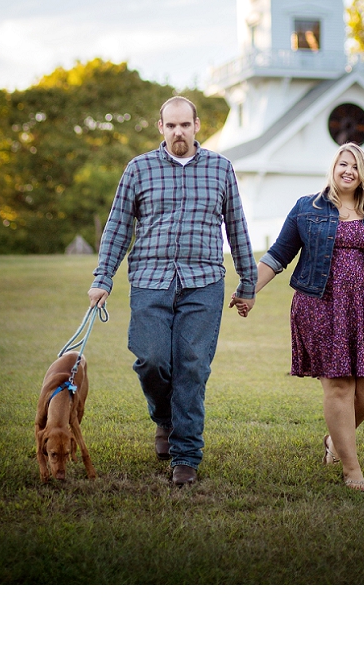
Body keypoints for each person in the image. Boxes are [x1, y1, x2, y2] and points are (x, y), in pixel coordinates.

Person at [88, 95, 256, 486]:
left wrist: (247, 283)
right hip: (150, 280)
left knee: (192, 367)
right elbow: (116, 228)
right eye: (171, 125)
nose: (178, 131)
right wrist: (102, 278)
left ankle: (186, 456)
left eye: (185, 124)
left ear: (197, 125)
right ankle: (164, 419)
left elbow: (237, 227)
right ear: (160, 127)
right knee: (151, 360)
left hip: (204, 283)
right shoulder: (138, 169)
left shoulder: (220, 169)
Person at [239, 143, 364, 491]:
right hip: (320, 307)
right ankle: (352, 469)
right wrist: (249, 289)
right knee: (339, 386)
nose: (348, 170)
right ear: (333, 168)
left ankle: (335, 441)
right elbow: (277, 256)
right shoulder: (308, 208)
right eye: (342, 164)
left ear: (363, 173)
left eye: (355, 166)